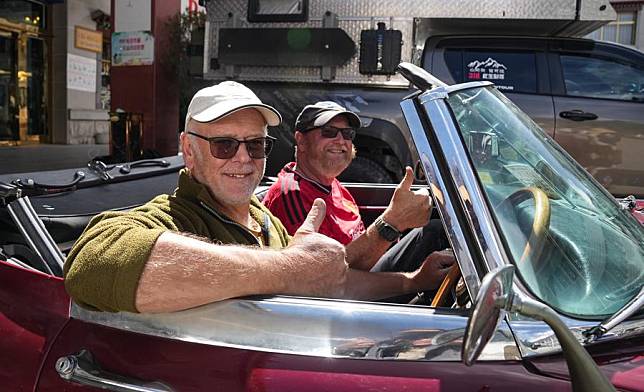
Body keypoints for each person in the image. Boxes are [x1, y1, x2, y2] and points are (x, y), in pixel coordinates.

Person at [63, 81, 454, 314]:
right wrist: (287, 269)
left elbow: (330, 281)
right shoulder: (175, 217)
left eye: (256, 145)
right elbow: (92, 263)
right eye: (223, 144)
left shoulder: (264, 220)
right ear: (189, 150)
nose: (243, 159)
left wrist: (410, 281)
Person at [263, 101, 452, 274]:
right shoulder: (291, 195)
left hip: (364, 276)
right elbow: (323, 276)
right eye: (329, 131)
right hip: (349, 294)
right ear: (301, 140)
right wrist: (393, 222)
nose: (340, 140)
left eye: (347, 134)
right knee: (433, 233)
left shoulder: (333, 184)